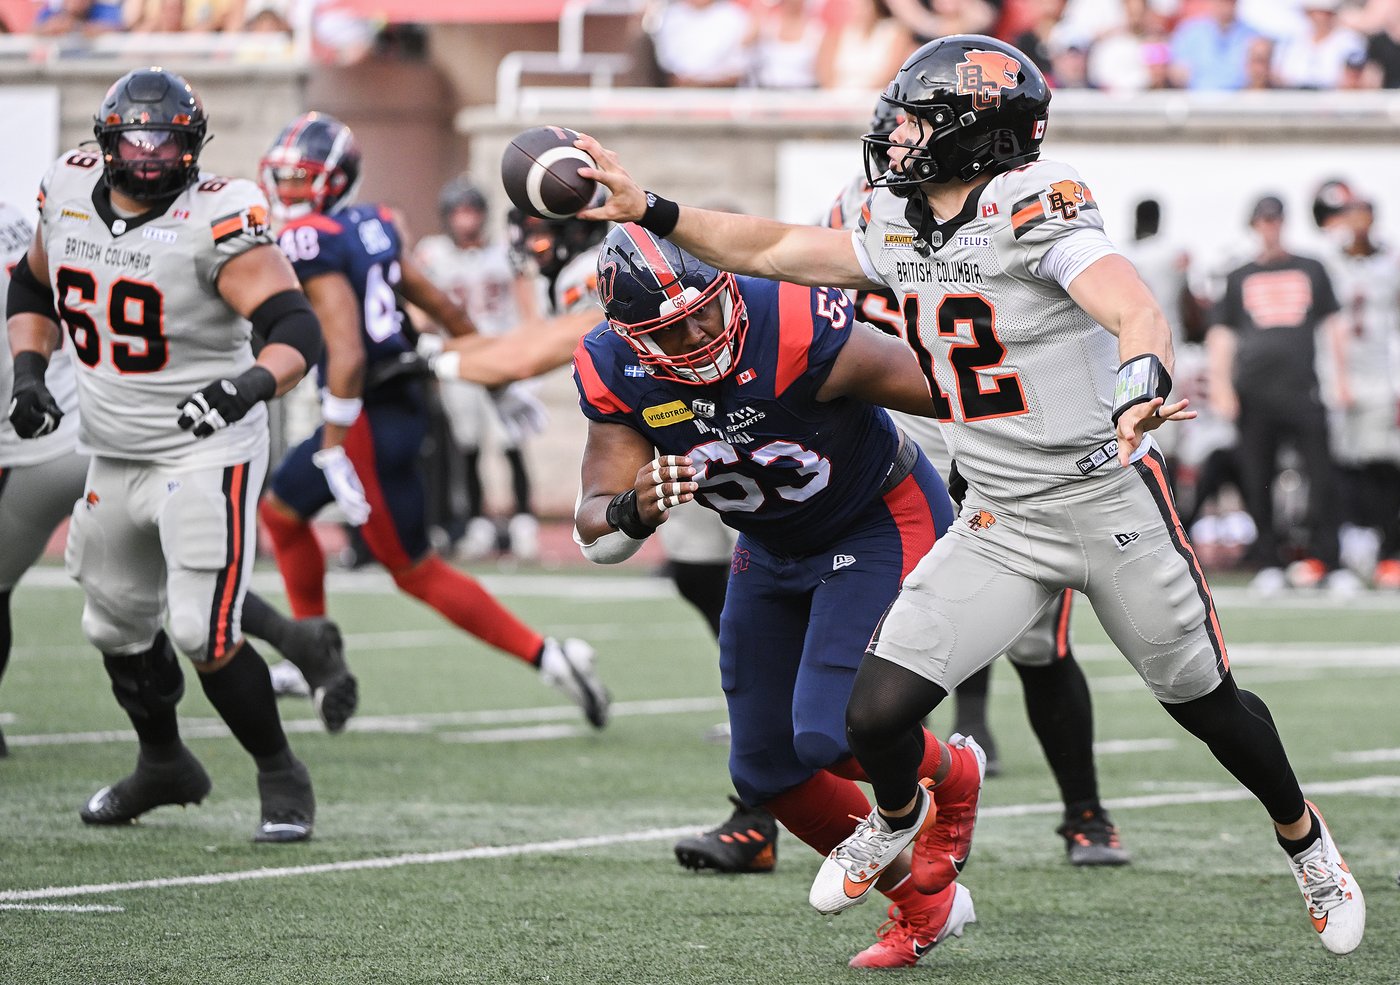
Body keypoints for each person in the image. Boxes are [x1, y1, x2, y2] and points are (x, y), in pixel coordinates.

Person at [572, 33, 1366, 955]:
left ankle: (1307, 841)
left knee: (1203, 701)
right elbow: (780, 245)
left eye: (917, 122)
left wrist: (1142, 372)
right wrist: (655, 209)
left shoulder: (1035, 204)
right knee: (871, 712)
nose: (897, 138)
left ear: (974, 132)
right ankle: (900, 814)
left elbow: (1127, 299)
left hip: (1103, 498)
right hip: (1000, 511)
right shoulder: (898, 219)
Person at [573, 222, 972, 968]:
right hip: (771, 544)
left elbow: (955, 388)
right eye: (671, 327)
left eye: (705, 309)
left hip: (879, 515)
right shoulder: (615, 367)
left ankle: (955, 773)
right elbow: (596, 526)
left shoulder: (789, 321)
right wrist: (636, 507)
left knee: (830, 733)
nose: (697, 333)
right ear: (628, 334)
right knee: (763, 767)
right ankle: (924, 905)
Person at [7, 68, 324, 841]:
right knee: (112, 624)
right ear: (105, 142)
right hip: (112, 447)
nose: (149, 158)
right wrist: (28, 371)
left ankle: (282, 776)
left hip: (205, 447)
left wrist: (245, 387)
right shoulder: (68, 187)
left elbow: (296, 330)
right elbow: (32, 284)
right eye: (136, 141)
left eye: (167, 142)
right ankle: (164, 764)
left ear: (195, 147)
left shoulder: (218, 214)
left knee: (201, 630)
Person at [426, 206, 778, 875]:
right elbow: (549, 345)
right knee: (718, 589)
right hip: (695, 441)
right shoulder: (606, 276)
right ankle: (763, 802)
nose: (533, 241)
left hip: (757, 430)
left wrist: (430, 359)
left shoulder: (639, 264)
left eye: (542, 224)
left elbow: (530, 349)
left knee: (797, 626)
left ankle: (910, 776)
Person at [820, 112, 1129, 865]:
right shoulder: (850, 211)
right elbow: (804, 314)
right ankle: (772, 801)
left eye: (911, 127)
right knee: (878, 625)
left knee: (1036, 643)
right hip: (893, 445)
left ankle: (1084, 810)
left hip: (997, 437)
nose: (897, 144)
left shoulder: (992, 208)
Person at [254, 112, 612, 730]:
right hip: (390, 402)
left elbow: (347, 355)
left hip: (361, 411)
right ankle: (308, 647)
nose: (288, 194)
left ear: (332, 181)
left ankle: (550, 656)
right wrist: (493, 379)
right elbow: (443, 307)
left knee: (413, 569)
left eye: (300, 181)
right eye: (283, 181)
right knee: (281, 513)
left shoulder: (308, 239)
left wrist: (336, 444)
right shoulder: (375, 223)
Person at [1206, 194, 1353, 594]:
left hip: (1304, 391)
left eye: (1275, 220)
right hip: (1254, 394)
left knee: (1323, 478)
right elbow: (1221, 336)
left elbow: (1333, 327)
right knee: (1258, 480)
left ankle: (1332, 562)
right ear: (1254, 225)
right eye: (1263, 221)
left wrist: (1342, 380)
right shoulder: (1238, 276)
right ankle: (1269, 560)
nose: (1270, 227)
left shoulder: (1311, 267)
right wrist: (1221, 386)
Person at [412, 174, 542, 561]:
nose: (466, 221)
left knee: (511, 442)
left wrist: (528, 350)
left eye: (472, 212)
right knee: (467, 444)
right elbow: (420, 306)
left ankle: (523, 522)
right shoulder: (432, 253)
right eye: (459, 212)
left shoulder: (504, 251)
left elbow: (526, 301)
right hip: (462, 358)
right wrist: (424, 342)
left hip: (502, 355)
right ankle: (476, 523)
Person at [1311, 183, 1400, 588]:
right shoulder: (1330, 262)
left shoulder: (1391, 262)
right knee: (1340, 465)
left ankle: (1387, 551)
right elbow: (1325, 326)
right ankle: (1347, 548)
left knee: (1383, 464)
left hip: (1381, 376)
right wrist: (1332, 377)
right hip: (1339, 377)